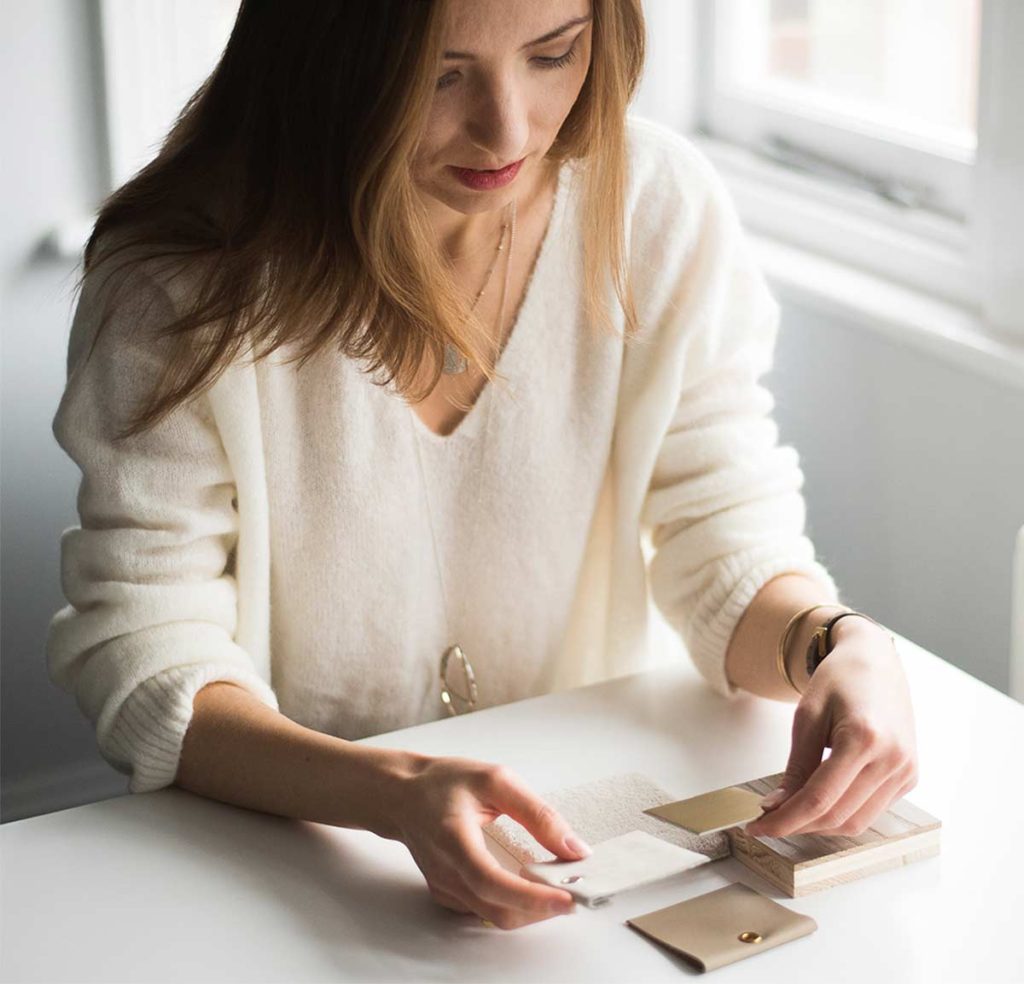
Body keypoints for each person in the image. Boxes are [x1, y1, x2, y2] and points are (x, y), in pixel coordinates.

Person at [45, 0, 918, 932]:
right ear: (320, 59)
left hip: (594, 837)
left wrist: (837, 643)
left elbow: (722, 534)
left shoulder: (657, 207)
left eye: (554, 53)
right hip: (294, 861)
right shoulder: (180, 286)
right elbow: (146, 649)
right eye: (438, 75)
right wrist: (389, 791)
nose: (508, 127)